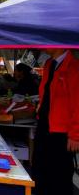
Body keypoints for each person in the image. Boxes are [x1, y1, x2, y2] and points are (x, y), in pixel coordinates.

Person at [32, 49, 79, 195]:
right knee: (40, 169)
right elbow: (46, 92)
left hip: (61, 132)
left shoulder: (74, 67)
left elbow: (77, 103)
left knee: (59, 175)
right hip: (44, 125)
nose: (45, 45)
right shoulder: (48, 64)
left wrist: (75, 135)